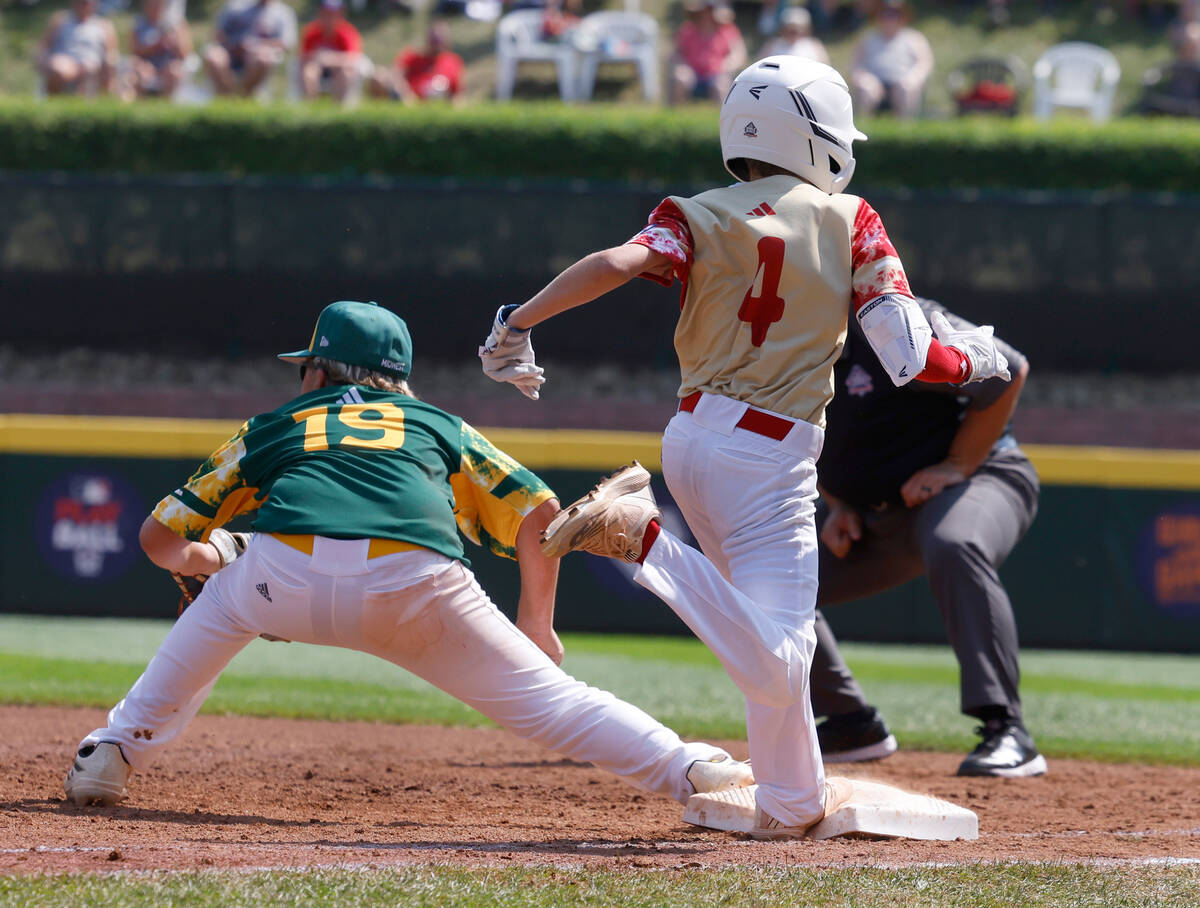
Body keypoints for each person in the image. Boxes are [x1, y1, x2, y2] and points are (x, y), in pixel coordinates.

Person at [477, 57, 1010, 838]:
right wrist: (979, 361)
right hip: (771, 454)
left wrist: (517, 321)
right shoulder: (849, 216)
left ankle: (792, 799)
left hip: (693, 437)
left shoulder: (695, 212)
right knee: (785, 656)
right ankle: (644, 541)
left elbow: (619, 263)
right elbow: (908, 355)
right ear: (818, 134)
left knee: (769, 644)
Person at [64, 301, 754, 813]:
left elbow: (157, 541)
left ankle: (112, 753)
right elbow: (542, 515)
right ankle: (694, 770)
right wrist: (537, 627)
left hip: (283, 573)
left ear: (316, 370)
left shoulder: (274, 425)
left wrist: (213, 560)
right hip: (414, 583)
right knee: (554, 706)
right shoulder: (438, 424)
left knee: (225, 601)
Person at [808, 297, 1045, 778]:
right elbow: (803, 438)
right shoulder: (778, 344)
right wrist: (839, 502)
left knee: (955, 543)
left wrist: (958, 464)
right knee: (764, 577)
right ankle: (851, 723)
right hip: (875, 517)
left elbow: (1008, 370)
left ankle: (1008, 730)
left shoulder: (889, 320)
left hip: (978, 478)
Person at [849, 0, 932, 118]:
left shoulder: (914, 39)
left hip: (903, 82)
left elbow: (924, 64)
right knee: (865, 89)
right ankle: (863, 129)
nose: (889, 18)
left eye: (894, 14)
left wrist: (912, 78)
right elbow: (855, 66)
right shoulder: (867, 39)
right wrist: (863, 78)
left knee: (906, 88)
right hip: (875, 83)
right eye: (885, 14)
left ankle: (906, 131)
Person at [203, 0, 297, 97]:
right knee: (213, 56)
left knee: (263, 58)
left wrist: (255, 45)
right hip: (230, 50)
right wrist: (233, 46)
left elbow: (286, 44)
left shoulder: (283, 13)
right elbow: (218, 34)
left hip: (258, 55)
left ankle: (244, 97)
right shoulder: (235, 6)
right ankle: (227, 97)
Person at [670, 0, 747, 105]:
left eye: (710, 11)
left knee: (721, 84)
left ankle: (721, 118)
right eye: (705, 11)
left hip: (717, 74)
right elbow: (676, 53)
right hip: (692, 74)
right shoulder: (687, 30)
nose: (707, 15)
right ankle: (675, 116)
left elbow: (739, 55)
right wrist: (683, 66)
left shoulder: (729, 31)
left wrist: (727, 65)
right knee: (680, 78)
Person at [36, 0, 119, 97]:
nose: (84, 5)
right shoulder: (60, 21)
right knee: (57, 68)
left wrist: (108, 62)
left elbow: (111, 52)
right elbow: (43, 46)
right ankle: (54, 102)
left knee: (107, 65)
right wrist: (43, 59)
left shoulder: (104, 25)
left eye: (87, 2)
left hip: (93, 64)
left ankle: (105, 101)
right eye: (81, 2)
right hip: (65, 62)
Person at [368, 20, 464, 102]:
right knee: (379, 76)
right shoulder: (413, 56)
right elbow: (395, 73)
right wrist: (406, 94)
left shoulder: (452, 61)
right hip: (407, 101)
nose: (436, 44)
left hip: (436, 104)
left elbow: (456, 94)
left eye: (439, 40)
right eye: (434, 40)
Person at [298, 0, 364, 104]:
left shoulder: (347, 32)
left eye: (334, 14)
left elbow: (353, 58)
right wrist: (316, 59)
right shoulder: (311, 32)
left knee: (346, 73)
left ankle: (338, 108)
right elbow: (303, 56)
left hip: (338, 70)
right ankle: (310, 106)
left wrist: (330, 59)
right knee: (309, 72)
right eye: (326, 13)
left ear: (341, 14)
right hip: (317, 69)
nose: (330, 18)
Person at [127, 0, 193, 100]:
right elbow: (134, 51)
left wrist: (174, 42)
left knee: (174, 72)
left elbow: (184, 53)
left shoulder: (178, 24)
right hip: (146, 65)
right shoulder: (139, 24)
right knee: (139, 72)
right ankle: (141, 104)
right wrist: (156, 46)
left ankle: (166, 105)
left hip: (168, 66)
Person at [1140, 21, 1200, 117]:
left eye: (1191, 45)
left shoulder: (1197, 66)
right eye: (1184, 45)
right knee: (1149, 105)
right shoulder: (1175, 64)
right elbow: (1158, 71)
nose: (1186, 49)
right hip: (1172, 102)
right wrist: (1151, 77)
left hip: (1193, 106)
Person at [760, 7, 830, 65]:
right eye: (789, 29)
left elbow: (825, 67)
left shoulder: (815, 45)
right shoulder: (772, 45)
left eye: (797, 29)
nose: (792, 32)